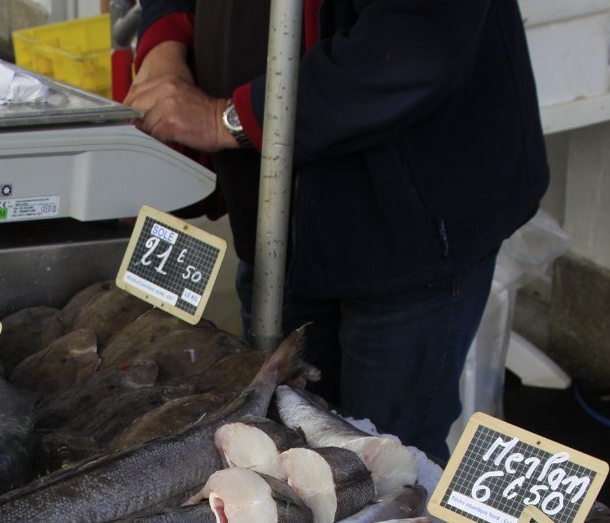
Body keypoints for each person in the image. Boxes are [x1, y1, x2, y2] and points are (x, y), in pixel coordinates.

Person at [124, 0, 550, 458]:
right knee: (277, 444)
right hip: (272, 220)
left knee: (389, 456)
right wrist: (164, 51)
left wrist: (228, 118)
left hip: (406, 228)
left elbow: (415, 44)